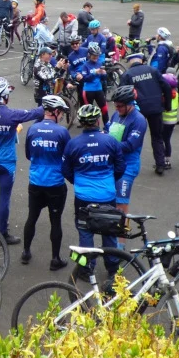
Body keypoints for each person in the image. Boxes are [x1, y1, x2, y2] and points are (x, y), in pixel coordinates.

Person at [0, 78, 44, 244]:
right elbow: (34, 113)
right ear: (6, 96)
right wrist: (48, 103)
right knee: (4, 198)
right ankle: (3, 233)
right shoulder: (12, 114)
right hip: (7, 163)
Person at [62, 103, 126, 281]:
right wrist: (109, 180)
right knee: (109, 231)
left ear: (81, 122)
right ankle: (112, 268)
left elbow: (65, 170)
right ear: (98, 121)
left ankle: (86, 269)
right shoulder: (110, 141)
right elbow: (121, 166)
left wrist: (78, 182)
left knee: (85, 232)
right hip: (107, 195)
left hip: (83, 197)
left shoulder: (73, 144)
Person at [22, 95, 71, 268]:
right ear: (55, 111)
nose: (62, 116)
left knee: (32, 217)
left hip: (35, 182)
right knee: (55, 221)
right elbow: (68, 157)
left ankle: (26, 252)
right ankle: (55, 259)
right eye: (62, 112)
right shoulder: (62, 132)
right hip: (55, 184)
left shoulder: (32, 129)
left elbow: (28, 155)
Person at [106, 86, 147, 245]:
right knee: (111, 202)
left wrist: (108, 145)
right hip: (114, 163)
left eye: (120, 106)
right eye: (115, 105)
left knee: (121, 206)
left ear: (130, 104)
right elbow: (107, 130)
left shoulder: (139, 120)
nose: (117, 108)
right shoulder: (117, 114)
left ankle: (120, 245)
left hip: (128, 166)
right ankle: (111, 239)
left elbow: (130, 145)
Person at [119, 53, 171, 174]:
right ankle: (160, 164)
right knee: (157, 137)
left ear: (130, 62)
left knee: (134, 137)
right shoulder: (153, 70)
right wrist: (167, 106)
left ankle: (128, 165)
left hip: (137, 111)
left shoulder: (127, 74)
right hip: (156, 109)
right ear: (141, 60)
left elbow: (121, 93)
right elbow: (167, 87)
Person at [76, 42, 108, 126]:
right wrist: (94, 73)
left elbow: (104, 79)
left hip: (98, 89)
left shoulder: (100, 63)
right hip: (88, 91)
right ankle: (89, 128)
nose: (96, 57)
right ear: (89, 55)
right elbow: (85, 79)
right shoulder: (85, 65)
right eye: (94, 55)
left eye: (97, 55)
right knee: (89, 112)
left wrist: (104, 74)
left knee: (104, 109)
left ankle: (107, 128)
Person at [161, 72, 179, 169]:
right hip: (173, 121)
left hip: (165, 121)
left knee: (162, 140)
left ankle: (164, 160)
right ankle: (167, 160)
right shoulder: (176, 94)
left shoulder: (165, 95)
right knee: (167, 140)